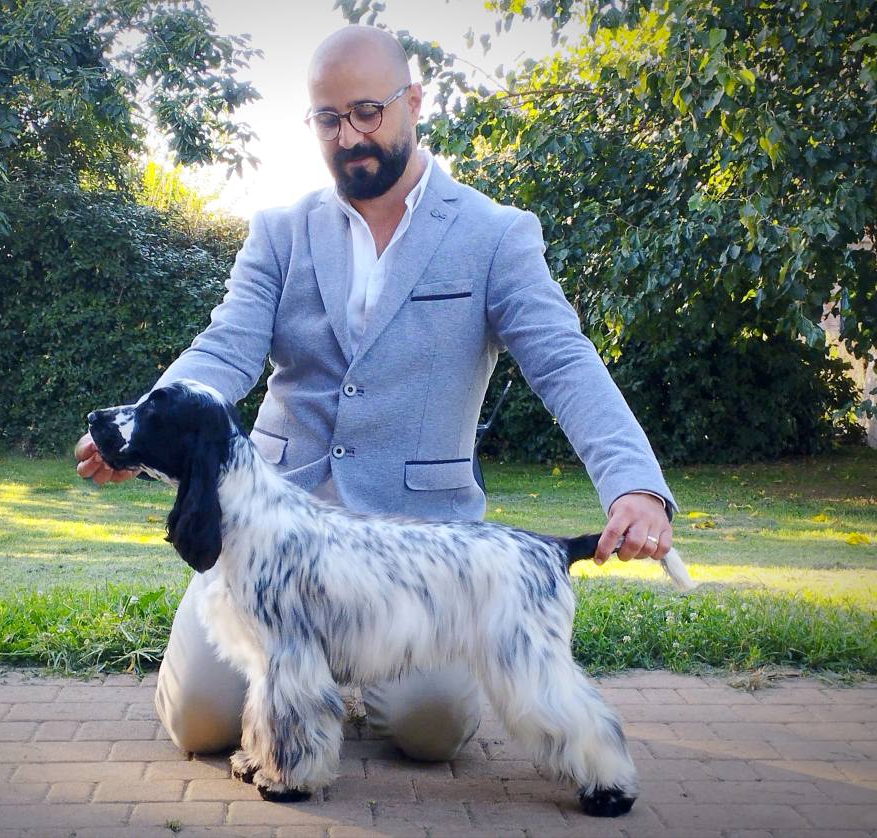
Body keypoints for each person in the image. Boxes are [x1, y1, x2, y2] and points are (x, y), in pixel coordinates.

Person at [75, 25, 677, 762]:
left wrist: (633, 486)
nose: (349, 136)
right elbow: (223, 349)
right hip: (271, 534)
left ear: (413, 102)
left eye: (367, 112)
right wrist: (135, 434)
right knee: (198, 723)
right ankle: (303, 688)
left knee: (430, 729)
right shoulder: (280, 232)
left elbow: (565, 362)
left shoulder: (494, 236)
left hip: (418, 555)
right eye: (328, 119)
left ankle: (322, 691)